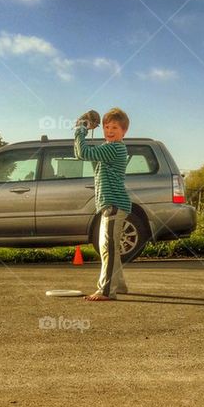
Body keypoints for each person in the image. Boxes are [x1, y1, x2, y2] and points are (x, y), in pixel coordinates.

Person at [73, 108, 132, 301]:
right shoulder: (109, 148)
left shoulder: (114, 148)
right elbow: (81, 153)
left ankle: (106, 290)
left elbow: (83, 153)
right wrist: (82, 132)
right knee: (109, 246)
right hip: (111, 204)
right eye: (106, 127)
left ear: (124, 131)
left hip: (114, 204)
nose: (109, 130)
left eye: (115, 127)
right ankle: (120, 285)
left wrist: (81, 128)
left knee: (108, 247)